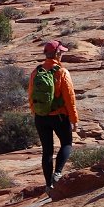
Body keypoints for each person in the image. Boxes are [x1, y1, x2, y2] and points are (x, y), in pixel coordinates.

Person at [28, 39, 78, 192]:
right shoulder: (62, 72)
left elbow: (30, 96)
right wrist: (74, 119)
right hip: (59, 116)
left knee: (47, 150)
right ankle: (57, 174)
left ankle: (48, 186)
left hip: (41, 117)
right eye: (61, 52)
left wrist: (36, 112)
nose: (62, 54)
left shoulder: (36, 71)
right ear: (57, 53)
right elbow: (69, 97)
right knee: (67, 143)